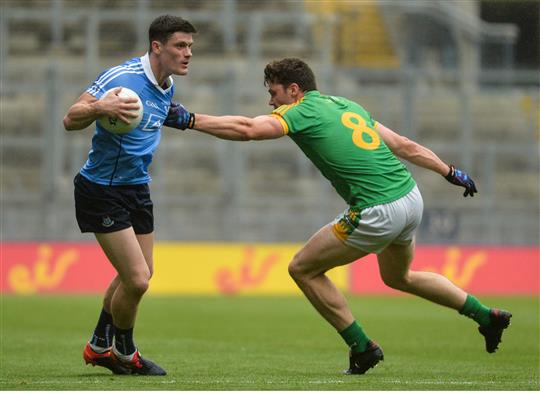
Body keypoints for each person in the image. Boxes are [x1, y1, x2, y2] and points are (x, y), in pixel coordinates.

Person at [178, 58, 512, 375]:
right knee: (400, 277)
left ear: (293, 90)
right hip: (410, 198)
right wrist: (449, 171)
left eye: (273, 93)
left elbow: (249, 129)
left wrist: (189, 119)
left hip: (377, 210)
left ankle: (362, 347)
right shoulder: (345, 104)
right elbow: (403, 144)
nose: (270, 102)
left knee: (303, 268)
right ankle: (486, 315)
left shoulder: (299, 111)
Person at [63, 15, 197, 376]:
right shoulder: (122, 79)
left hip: (137, 187)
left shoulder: (167, 85)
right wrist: (99, 108)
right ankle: (125, 352)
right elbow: (70, 118)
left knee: (141, 274)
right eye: (180, 46)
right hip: (102, 189)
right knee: (136, 279)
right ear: (157, 46)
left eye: (190, 47)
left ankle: (98, 345)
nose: (187, 54)